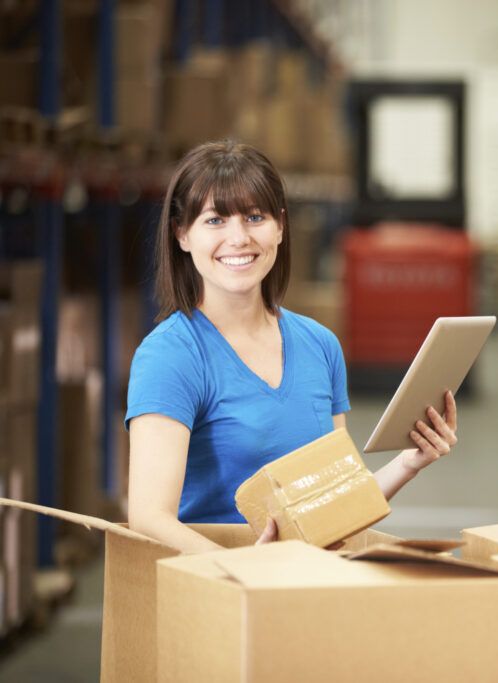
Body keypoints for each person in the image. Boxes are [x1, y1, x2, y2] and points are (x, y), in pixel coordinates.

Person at [126, 141, 459, 553]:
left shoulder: (320, 345)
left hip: (306, 586)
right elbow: (148, 516)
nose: (239, 238)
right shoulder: (171, 356)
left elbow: (340, 500)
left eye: (254, 217)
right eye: (215, 220)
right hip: (219, 594)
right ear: (182, 234)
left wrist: (410, 461)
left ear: (280, 226)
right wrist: (246, 568)